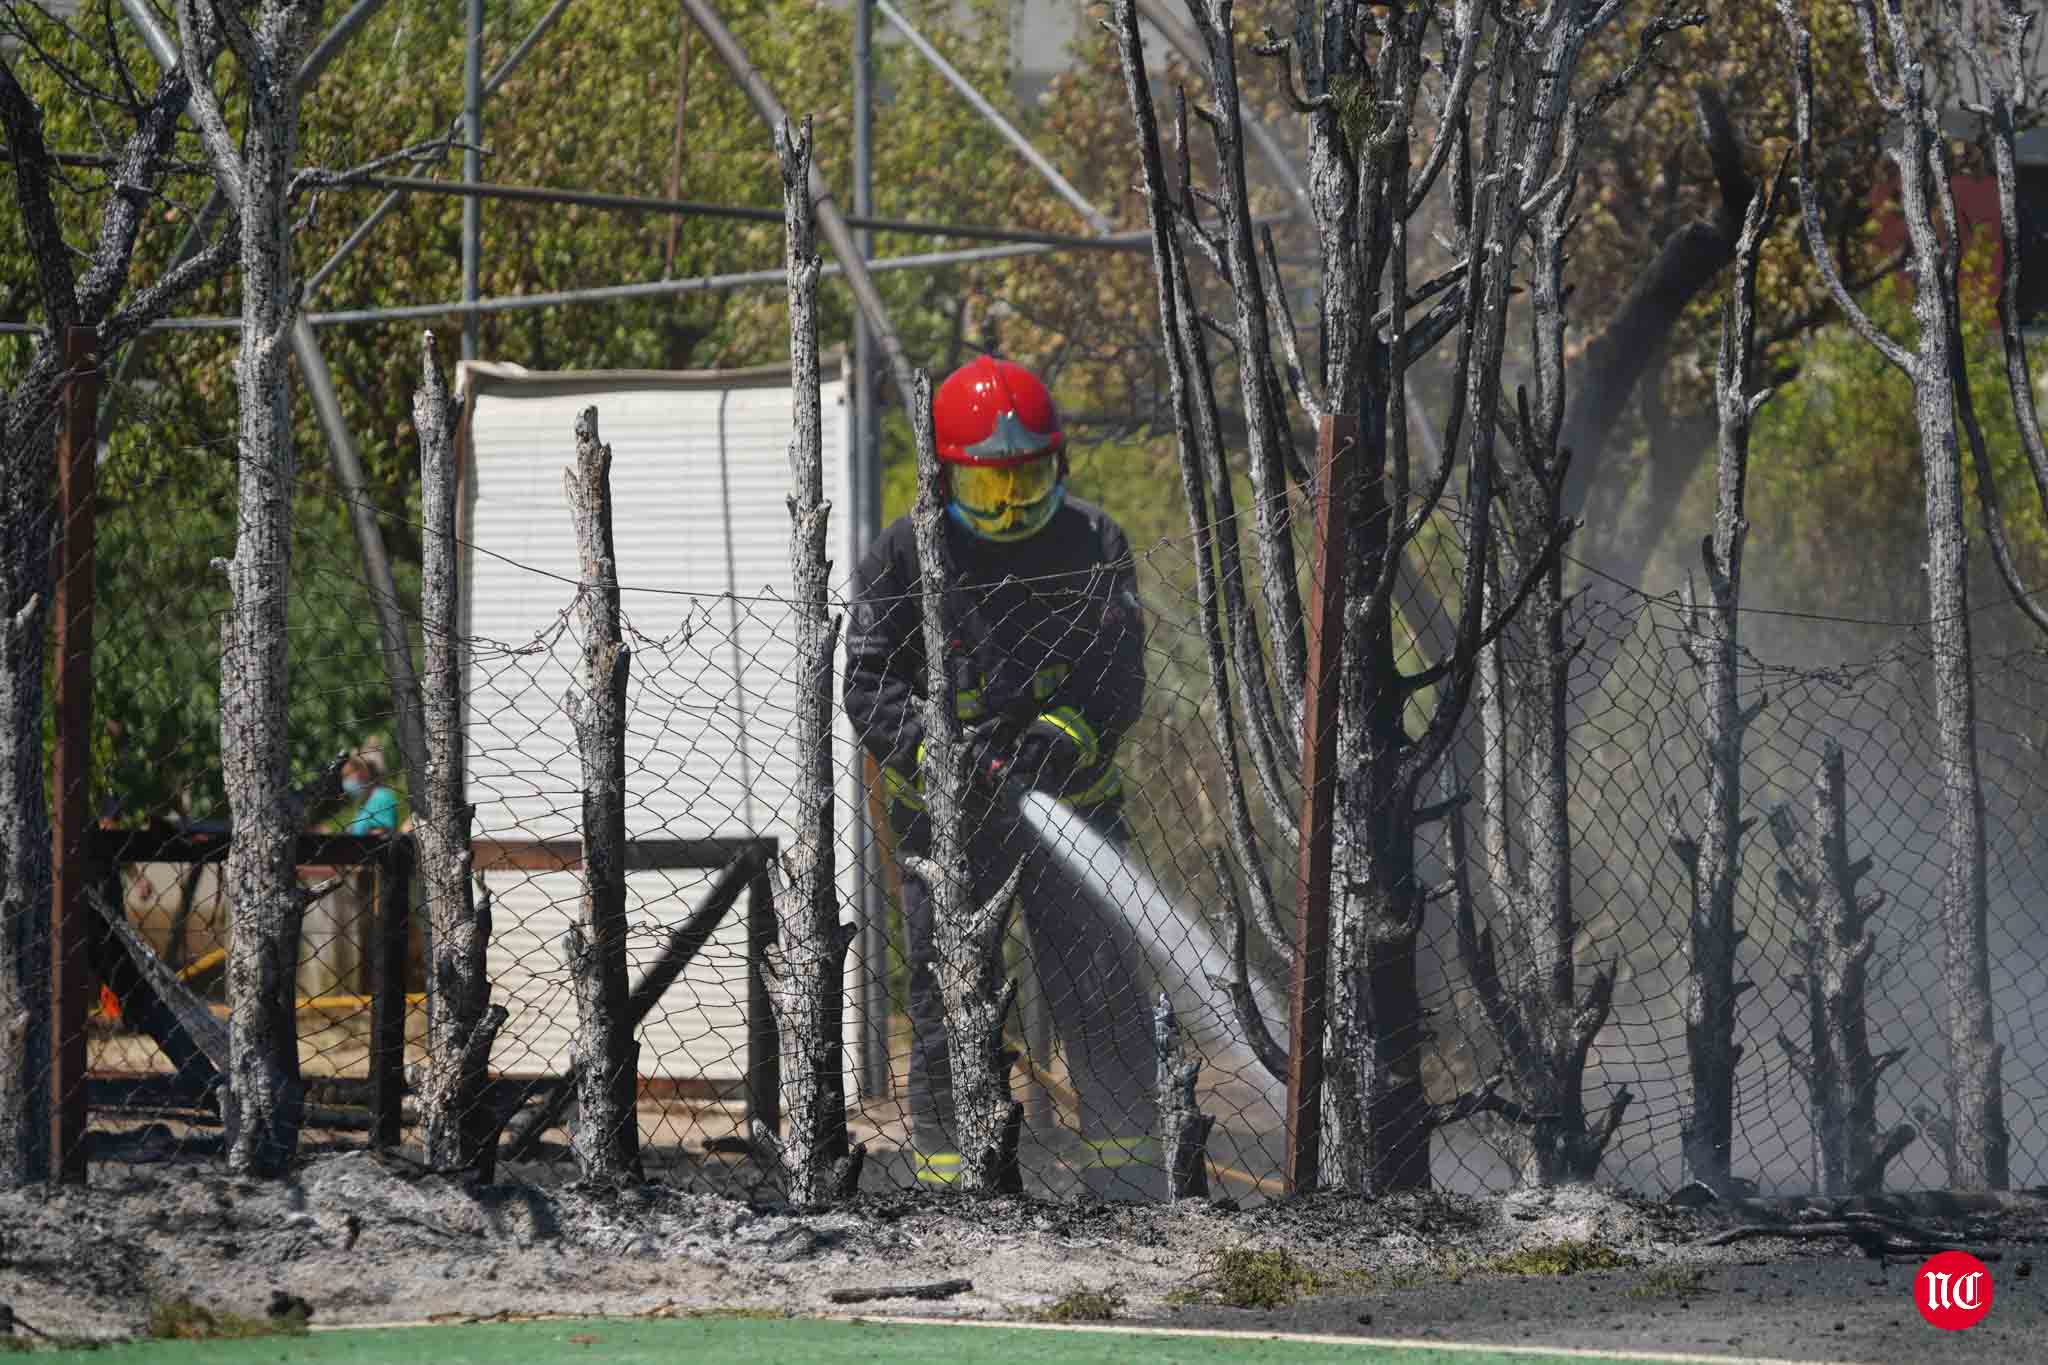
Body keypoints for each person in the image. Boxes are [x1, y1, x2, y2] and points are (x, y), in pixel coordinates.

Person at [844, 355, 1158, 1197]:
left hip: (1070, 815)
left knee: (1101, 992)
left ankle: (1127, 1184)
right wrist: (937, 752)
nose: (1015, 506)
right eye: (990, 490)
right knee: (953, 1003)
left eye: (1029, 480)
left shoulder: (1094, 542)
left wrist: (1059, 738)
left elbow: (1116, 677)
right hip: (947, 834)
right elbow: (868, 681)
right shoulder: (903, 556)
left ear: (1061, 465)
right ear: (946, 477)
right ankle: (957, 1181)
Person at [342, 752, 400, 836]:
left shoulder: (381, 798)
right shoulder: (366, 801)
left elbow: (381, 834)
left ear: (362, 773)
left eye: (348, 775)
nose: (346, 781)